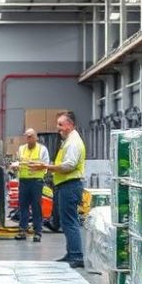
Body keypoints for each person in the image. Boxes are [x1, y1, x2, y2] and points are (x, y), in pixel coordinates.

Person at [44, 111, 86, 268]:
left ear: (70, 125)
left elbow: (70, 165)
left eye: (61, 124)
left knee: (69, 221)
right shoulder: (68, 141)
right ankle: (71, 253)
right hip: (65, 185)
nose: (58, 128)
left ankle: (76, 255)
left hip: (70, 185)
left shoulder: (73, 142)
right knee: (66, 221)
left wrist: (48, 167)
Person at [11, 128, 50, 242]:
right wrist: (15, 167)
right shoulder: (21, 149)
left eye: (31, 136)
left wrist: (37, 166)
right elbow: (17, 162)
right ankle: (22, 230)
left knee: (36, 207)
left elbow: (46, 165)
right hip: (24, 182)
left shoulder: (42, 150)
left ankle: (37, 232)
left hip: (36, 182)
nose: (28, 139)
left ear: (36, 137)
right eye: (27, 136)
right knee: (23, 207)